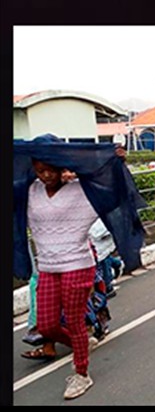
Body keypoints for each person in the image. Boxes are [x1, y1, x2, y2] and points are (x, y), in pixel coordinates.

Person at [15, 144, 134, 400]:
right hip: (47, 267)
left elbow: (114, 193)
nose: (45, 175)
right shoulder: (30, 192)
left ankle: (82, 374)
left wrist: (118, 164)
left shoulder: (82, 192)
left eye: (49, 170)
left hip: (78, 266)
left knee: (75, 320)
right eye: (39, 170)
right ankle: (79, 343)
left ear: (60, 167)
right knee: (46, 326)